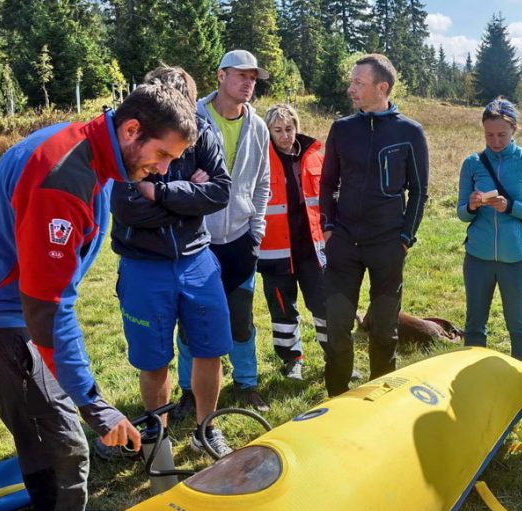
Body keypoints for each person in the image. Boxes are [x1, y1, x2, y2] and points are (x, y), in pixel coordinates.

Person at [0, 83, 196, 511]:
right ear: (132, 129)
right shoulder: (64, 176)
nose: (162, 171)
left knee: (49, 436)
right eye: (161, 155)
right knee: (63, 442)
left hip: (14, 308)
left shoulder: (92, 150)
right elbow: (48, 308)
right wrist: (94, 402)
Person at [99, 66, 233, 458]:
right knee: (153, 358)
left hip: (197, 260)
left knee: (210, 349)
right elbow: (127, 208)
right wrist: (190, 193)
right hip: (143, 265)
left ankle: (206, 430)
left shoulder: (202, 132)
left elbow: (220, 192)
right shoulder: (132, 137)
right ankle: (157, 436)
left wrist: (159, 193)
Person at [319, 53, 429, 397]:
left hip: (387, 245)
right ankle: (336, 400)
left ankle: (381, 403)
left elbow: (420, 190)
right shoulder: (342, 129)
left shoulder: (409, 132)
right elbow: (327, 183)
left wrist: (405, 238)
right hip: (344, 244)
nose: (351, 88)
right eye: (352, 81)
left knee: (384, 332)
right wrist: (328, 227)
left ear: (382, 87)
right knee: (337, 329)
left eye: (358, 82)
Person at [173, 50, 272, 415]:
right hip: (196, 240)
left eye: (253, 78)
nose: (249, 83)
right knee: (191, 320)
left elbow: (262, 183)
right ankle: (188, 391)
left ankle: (246, 383)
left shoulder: (258, 127)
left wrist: (256, 230)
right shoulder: (192, 118)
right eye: (241, 76)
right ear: (220, 75)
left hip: (241, 239)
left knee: (241, 318)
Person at [456, 98, 522, 365]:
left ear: (514, 130)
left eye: (502, 135)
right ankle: (473, 379)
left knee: (519, 326)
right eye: (489, 135)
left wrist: (511, 207)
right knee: (474, 325)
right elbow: (461, 213)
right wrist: (471, 206)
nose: (495, 141)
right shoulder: (472, 164)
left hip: (516, 259)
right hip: (478, 257)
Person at [258, 104, 330, 380]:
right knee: (283, 309)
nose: (285, 135)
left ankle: (334, 355)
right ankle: (292, 360)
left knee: (324, 304)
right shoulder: (260, 159)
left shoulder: (314, 157)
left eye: (289, 129)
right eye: (278, 130)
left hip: (313, 249)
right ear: (269, 132)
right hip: (275, 250)